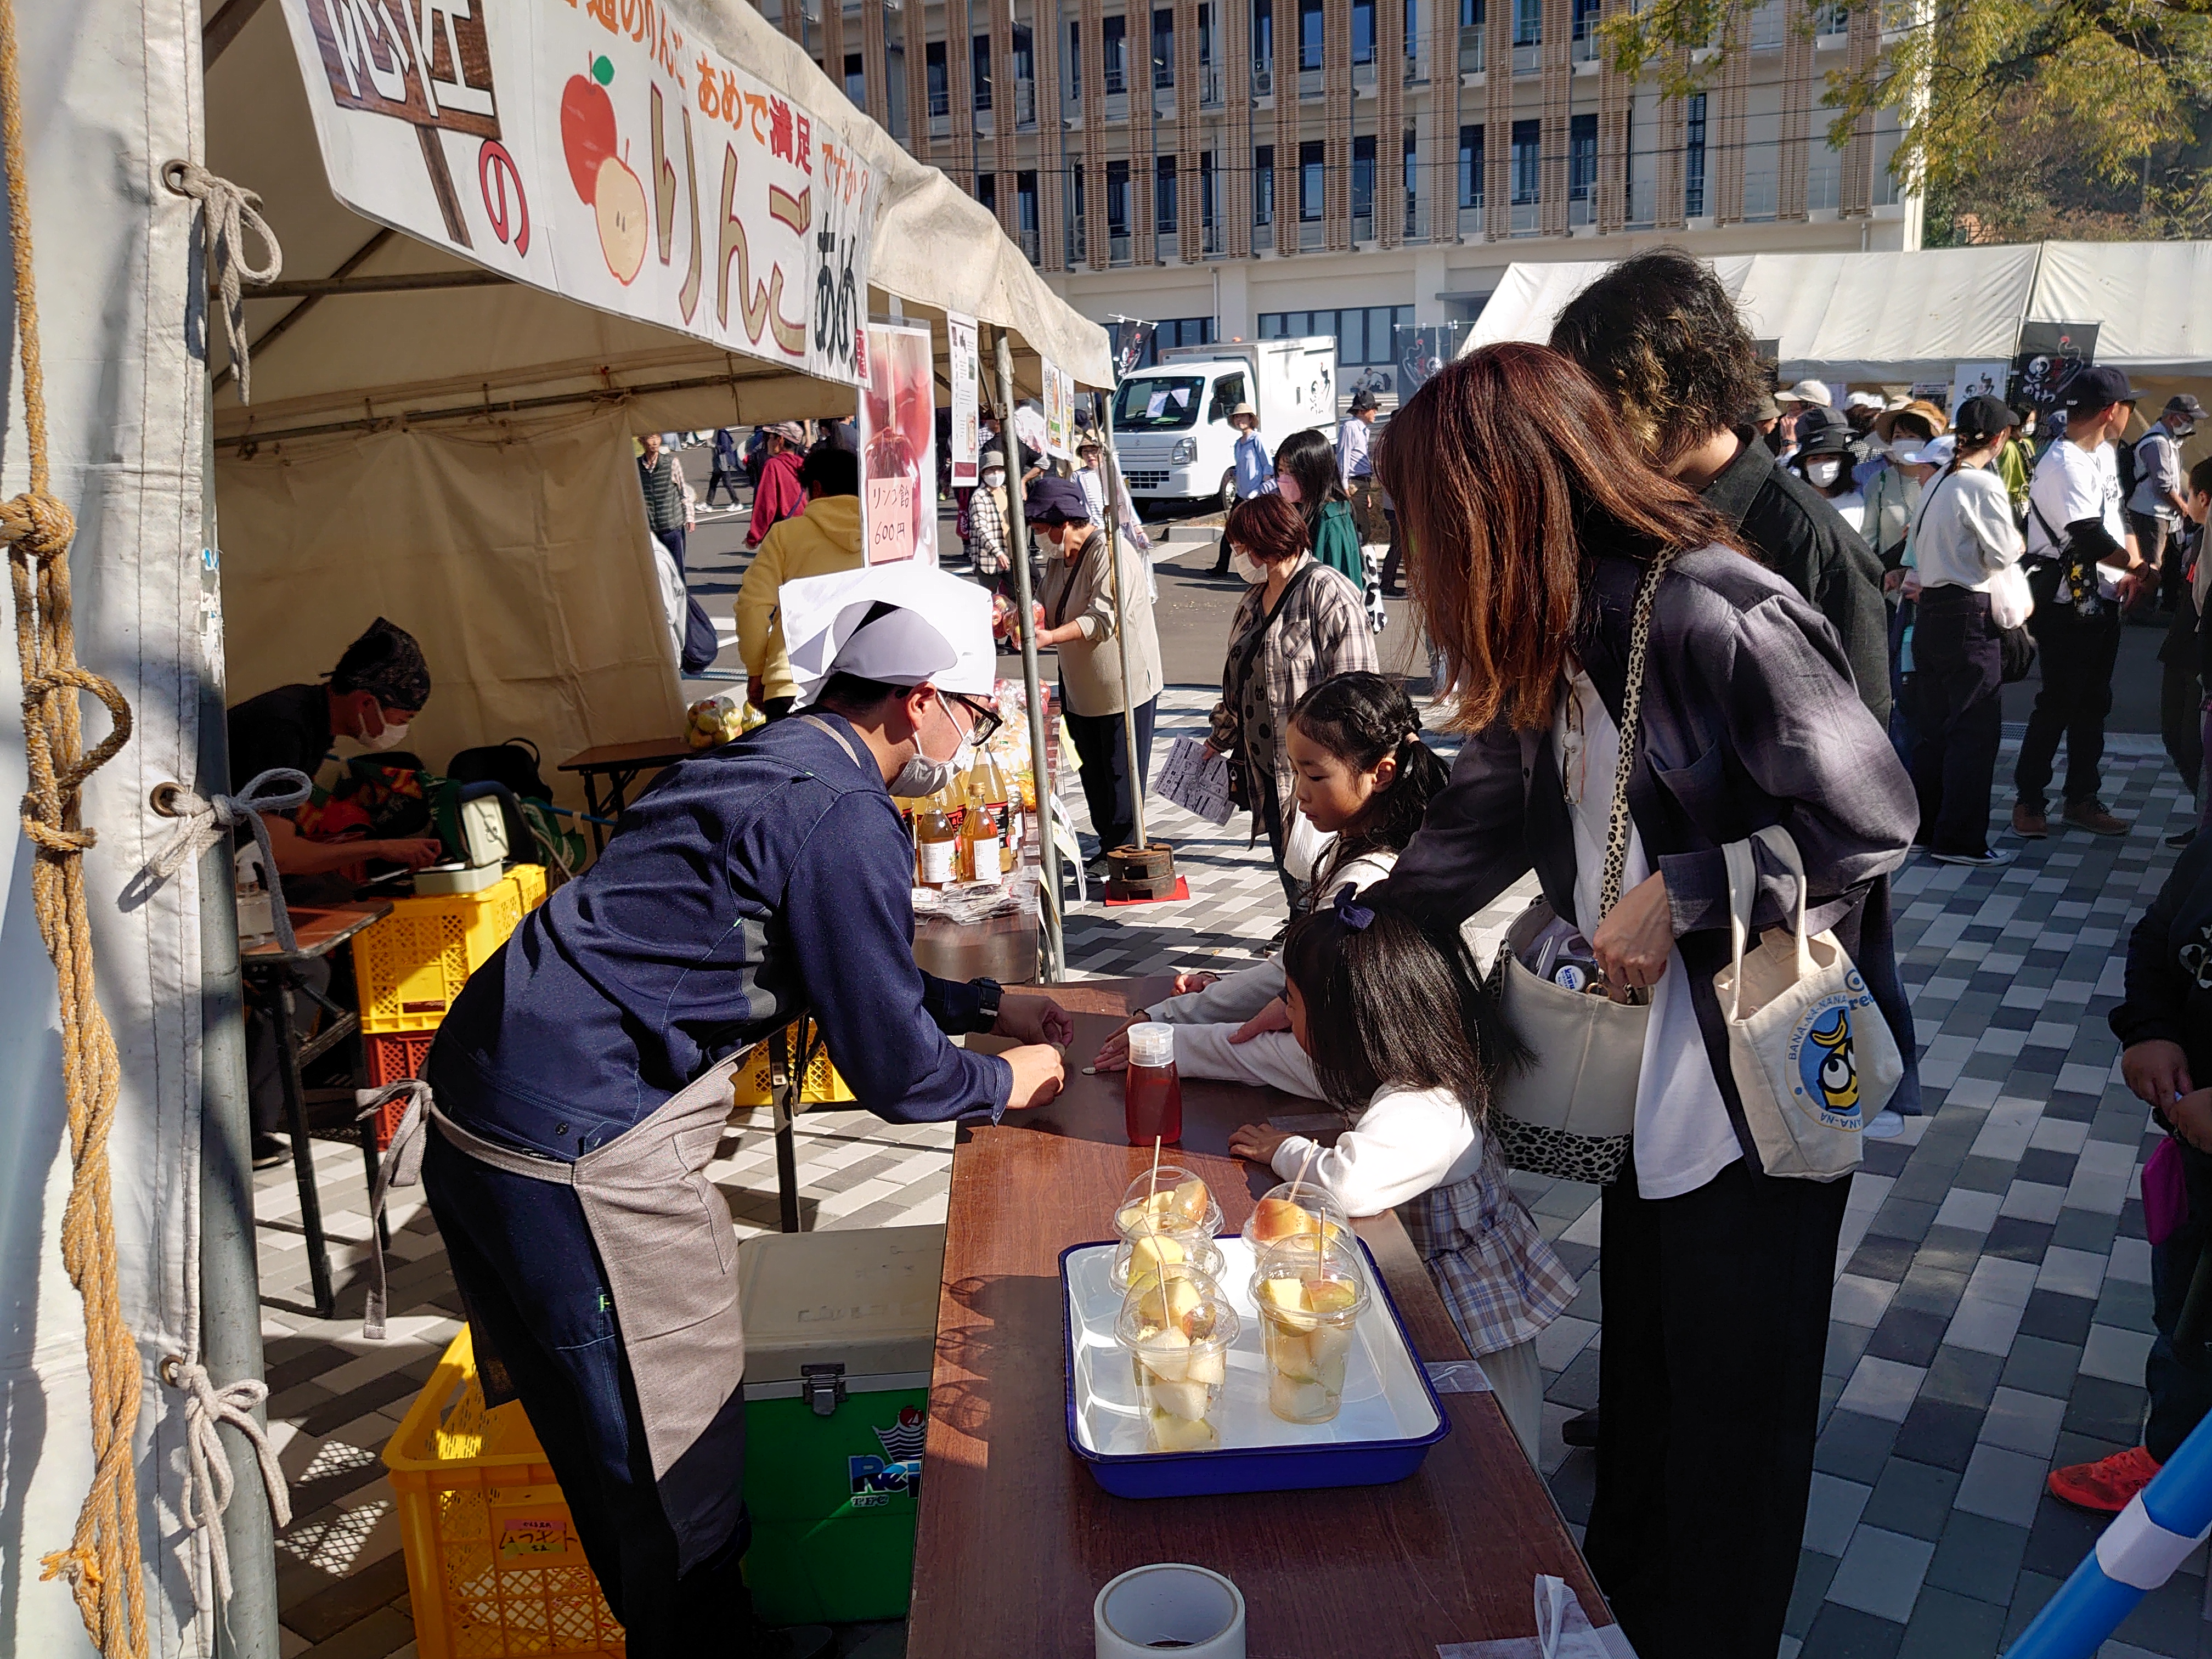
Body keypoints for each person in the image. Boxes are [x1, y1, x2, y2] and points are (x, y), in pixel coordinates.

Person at [1370, 343, 1915, 1659]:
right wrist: (1341, 940)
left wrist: (1682, 892)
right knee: (1654, 1385)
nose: (1411, 561)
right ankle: (1620, 1618)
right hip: (1651, 1082)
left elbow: (1876, 819)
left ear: (1502, 503)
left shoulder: (1717, 612)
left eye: (1423, 526)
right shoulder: (1565, 623)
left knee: (1737, 1421)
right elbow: (1491, 814)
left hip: (1760, 1084)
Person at [421, 563, 1071, 1659]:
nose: (975, 732)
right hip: (576, 1140)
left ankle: (672, 1622)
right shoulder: (846, 812)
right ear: (918, 698)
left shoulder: (774, 757)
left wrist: (989, 1001)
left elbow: (833, 965)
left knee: (600, 1439)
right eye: (977, 709)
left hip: (482, 1100)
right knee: (672, 1458)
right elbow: (900, 1077)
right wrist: (1014, 1079)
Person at [1122, 889, 1576, 1466]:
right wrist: (1156, 1049)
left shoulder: (1427, 1105)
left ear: (1345, 1023)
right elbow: (1250, 1055)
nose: (1279, 1016)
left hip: (1465, 1310)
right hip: (1425, 1284)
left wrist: (1286, 1150)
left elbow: (1347, 1184)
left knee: (1493, 1444)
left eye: (1290, 1002)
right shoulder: (1384, 1060)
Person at [1549, 249, 1892, 728]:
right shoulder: (1620, 512)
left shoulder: (1810, 541)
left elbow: (1859, 749)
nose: (1594, 434)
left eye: (1605, 408)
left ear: (1669, 391)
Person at [1114, 672, 1448, 1035]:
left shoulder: (1365, 880)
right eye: (1294, 773)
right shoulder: (1357, 847)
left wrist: (1169, 1026)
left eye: (1315, 777)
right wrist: (1221, 987)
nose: (1300, 793)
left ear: (1381, 774)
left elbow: (1295, 983)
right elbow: (1289, 974)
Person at [228, 617, 445, 1164]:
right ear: (366, 701)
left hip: (240, 864)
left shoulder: (309, 719)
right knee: (307, 969)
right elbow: (277, 851)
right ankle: (250, 1126)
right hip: (211, 880)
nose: (403, 727)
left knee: (337, 896)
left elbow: (279, 834)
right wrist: (379, 849)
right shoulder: (285, 726)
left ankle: (309, 1075)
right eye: (403, 715)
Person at [2045, 830, 2212, 1514]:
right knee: (2186, 1318)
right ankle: (2172, 1465)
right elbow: (2156, 937)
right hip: (2199, 1158)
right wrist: (2149, 1029)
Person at [1209, 494, 1376, 910]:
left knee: (1321, 877)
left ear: (1266, 544)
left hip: (1318, 773)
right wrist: (1219, 738)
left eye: (1243, 546)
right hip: (1266, 771)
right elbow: (1239, 679)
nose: (1239, 556)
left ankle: (1312, 943)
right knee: (1292, 870)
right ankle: (1299, 931)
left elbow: (1358, 692)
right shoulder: (1252, 599)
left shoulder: (1328, 593)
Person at [2014, 364, 2157, 840]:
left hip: (2102, 595)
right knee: (2057, 701)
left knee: (2094, 702)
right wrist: (2140, 571)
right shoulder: (2065, 462)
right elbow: (2087, 534)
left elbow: (2118, 520)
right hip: (2064, 599)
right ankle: (2030, 800)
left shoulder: (2103, 455)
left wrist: (2131, 567)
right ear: (2112, 411)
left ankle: (2082, 797)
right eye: (2128, 408)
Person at [1904, 396, 2026, 867]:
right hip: (1968, 611)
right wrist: (2014, 539)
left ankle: (1927, 827)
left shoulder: (1939, 482)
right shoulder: (1981, 484)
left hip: (1932, 608)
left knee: (1933, 727)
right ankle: (1960, 839)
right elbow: (2002, 554)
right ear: (1999, 439)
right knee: (1974, 728)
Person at [1028, 475, 1164, 870]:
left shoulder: (1110, 551)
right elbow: (1040, 603)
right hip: (1079, 690)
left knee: (1122, 778)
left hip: (1122, 687)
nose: (1038, 538)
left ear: (1063, 522)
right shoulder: (1057, 558)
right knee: (1093, 773)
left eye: (1040, 529)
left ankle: (1126, 856)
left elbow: (1102, 618)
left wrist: (1050, 636)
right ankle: (1108, 848)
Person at [733, 446, 865, 719]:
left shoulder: (786, 535)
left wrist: (758, 670)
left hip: (792, 683)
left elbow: (752, 607)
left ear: (816, 488)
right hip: (866, 684)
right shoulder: (882, 537)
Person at [2130, 394, 2205, 610]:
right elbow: (2163, 487)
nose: (2191, 425)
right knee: (2151, 564)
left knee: (2170, 562)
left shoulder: (2168, 441)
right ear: (2173, 418)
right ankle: (2140, 609)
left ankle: (2164, 607)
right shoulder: (2156, 442)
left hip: (2165, 514)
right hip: (2151, 513)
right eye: (2188, 419)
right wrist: (2185, 509)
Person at [1272, 427, 1367, 592]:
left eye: (1292, 472)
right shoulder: (1298, 508)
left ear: (1314, 473)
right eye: (1281, 471)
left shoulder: (1332, 519)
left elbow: (1336, 586)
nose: (1284, 479)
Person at [1864, 399, 1945, 569]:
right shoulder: (1879, 482)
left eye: (1912, 437)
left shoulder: (1945, 482)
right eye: (1898, 437)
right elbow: (1867, 540)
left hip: (1935, 579)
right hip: (1891, 582)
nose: (1904, 442)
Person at [1211, 401, 1274, 575]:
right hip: (1241, 494)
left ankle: (1262, 570)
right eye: (1237, 417)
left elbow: (1267, 466)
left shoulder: (1257, 439)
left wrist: (1262, 489)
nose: (1240, 420)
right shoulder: (1239, 443)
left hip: (1256, 495)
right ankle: (1221, 567)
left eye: (1243, 416)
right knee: (1231, 532)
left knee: (1257, 534)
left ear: (1251, 419)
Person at [1786, 405, 1866, 537]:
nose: (1823, 465)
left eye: (1831, 458)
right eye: (1815, 459)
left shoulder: (1856, 501)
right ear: (1804, 465)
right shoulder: (1793, 502)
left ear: (1842, 463)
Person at [746, 422, 808, 548]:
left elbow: (767, 504)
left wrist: (754, 537)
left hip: (787, 530)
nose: (768, 441)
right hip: (808, 527)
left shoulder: (774, 465)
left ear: (780, 440)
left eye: (770, 437)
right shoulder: (803, 464)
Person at [1337, 388, 1386, 547]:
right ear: (1361, 411)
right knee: (1360, 526)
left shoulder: (1363, 431)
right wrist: (1345, 486)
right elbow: (1343, 457)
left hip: (1361, 482)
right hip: (1353, 482)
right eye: (1373, 409)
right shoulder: (1350, 428)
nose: (1375, 412)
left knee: (1362, 524)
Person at [637, 431, 691, 575]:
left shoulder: (671, 463)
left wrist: (689, 518)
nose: (655, 442)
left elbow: (683, 492)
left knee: (677, 572)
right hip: (651, 531)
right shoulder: (636, 467)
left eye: (657, 437)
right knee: (657, 574)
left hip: (672, 526)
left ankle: (683, 598)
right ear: (641, 441)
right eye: (650, 437)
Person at [966, 444, 1012, 594]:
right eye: (991, 470)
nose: (996, 474)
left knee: (1013, 601)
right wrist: (997, 552)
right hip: (989, 561)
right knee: (992, 602)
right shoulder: (979, 497)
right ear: (983, 473)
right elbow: (981, 528)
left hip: (1011, 556)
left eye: (999, 470)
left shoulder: (1007, 491)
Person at [706, 427, 743, 509]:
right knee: (713, 483)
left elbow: (725, 448)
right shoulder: (717, 433)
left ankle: (736, 502)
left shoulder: (722, 434)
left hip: (724, 461)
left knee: (727, 483)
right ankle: (708, 503)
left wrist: (713, 446)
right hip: (719, 461)